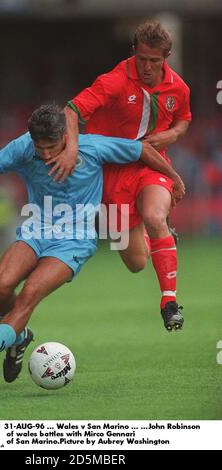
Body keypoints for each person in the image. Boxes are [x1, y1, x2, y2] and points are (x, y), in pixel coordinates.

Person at [0, 104, 184, 382]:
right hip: (36, 231)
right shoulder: (25, 147)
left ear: (66, 137)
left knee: (28, 297)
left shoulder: (92, 148)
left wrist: (173, 177)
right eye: (39, 148)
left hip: (74, 241)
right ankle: (18, 338)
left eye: (51, 147)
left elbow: (142, 151)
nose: (45, 154)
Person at [47, 21, 192, 331]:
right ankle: (161, 240)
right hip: (110, 176)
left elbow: (183, 120)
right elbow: (71, 111)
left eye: (155, 61)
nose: (148, 67)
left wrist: (172, 135)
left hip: (151, 164)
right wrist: (72, 149)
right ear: (134, 52)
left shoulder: (178, 88)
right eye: (142, 59)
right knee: (136, 263)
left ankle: (169, 301)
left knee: (154, 217)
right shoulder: (113, 81)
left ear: (166, 57)